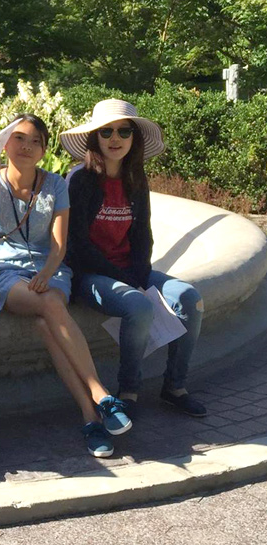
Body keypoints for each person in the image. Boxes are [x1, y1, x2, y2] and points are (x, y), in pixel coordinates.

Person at [0, 114, 131, 458]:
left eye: (36, 141)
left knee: (48, 323)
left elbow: (59, 245)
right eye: (19, 139)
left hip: (51, 270)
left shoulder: (56, 185)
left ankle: (91, 418)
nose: (27, 147)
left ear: (45, 150)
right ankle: (101, 394)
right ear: (5, 143)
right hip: (5, 271)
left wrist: (47, 272)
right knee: (49, 306)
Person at [62, 99, 206, 418]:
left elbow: (143, 235)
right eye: (107, 131)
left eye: (124, 131)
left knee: (190, 299)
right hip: (89, 275)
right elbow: (76, 245)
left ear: (134, 138)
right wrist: (122, 278)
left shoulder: (135, 178)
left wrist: (140, 276)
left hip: (128, 270)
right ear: (94, 137)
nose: (116, 138)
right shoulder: (80, 179)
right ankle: (128, 391)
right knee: (138, 306)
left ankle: (175, 387)